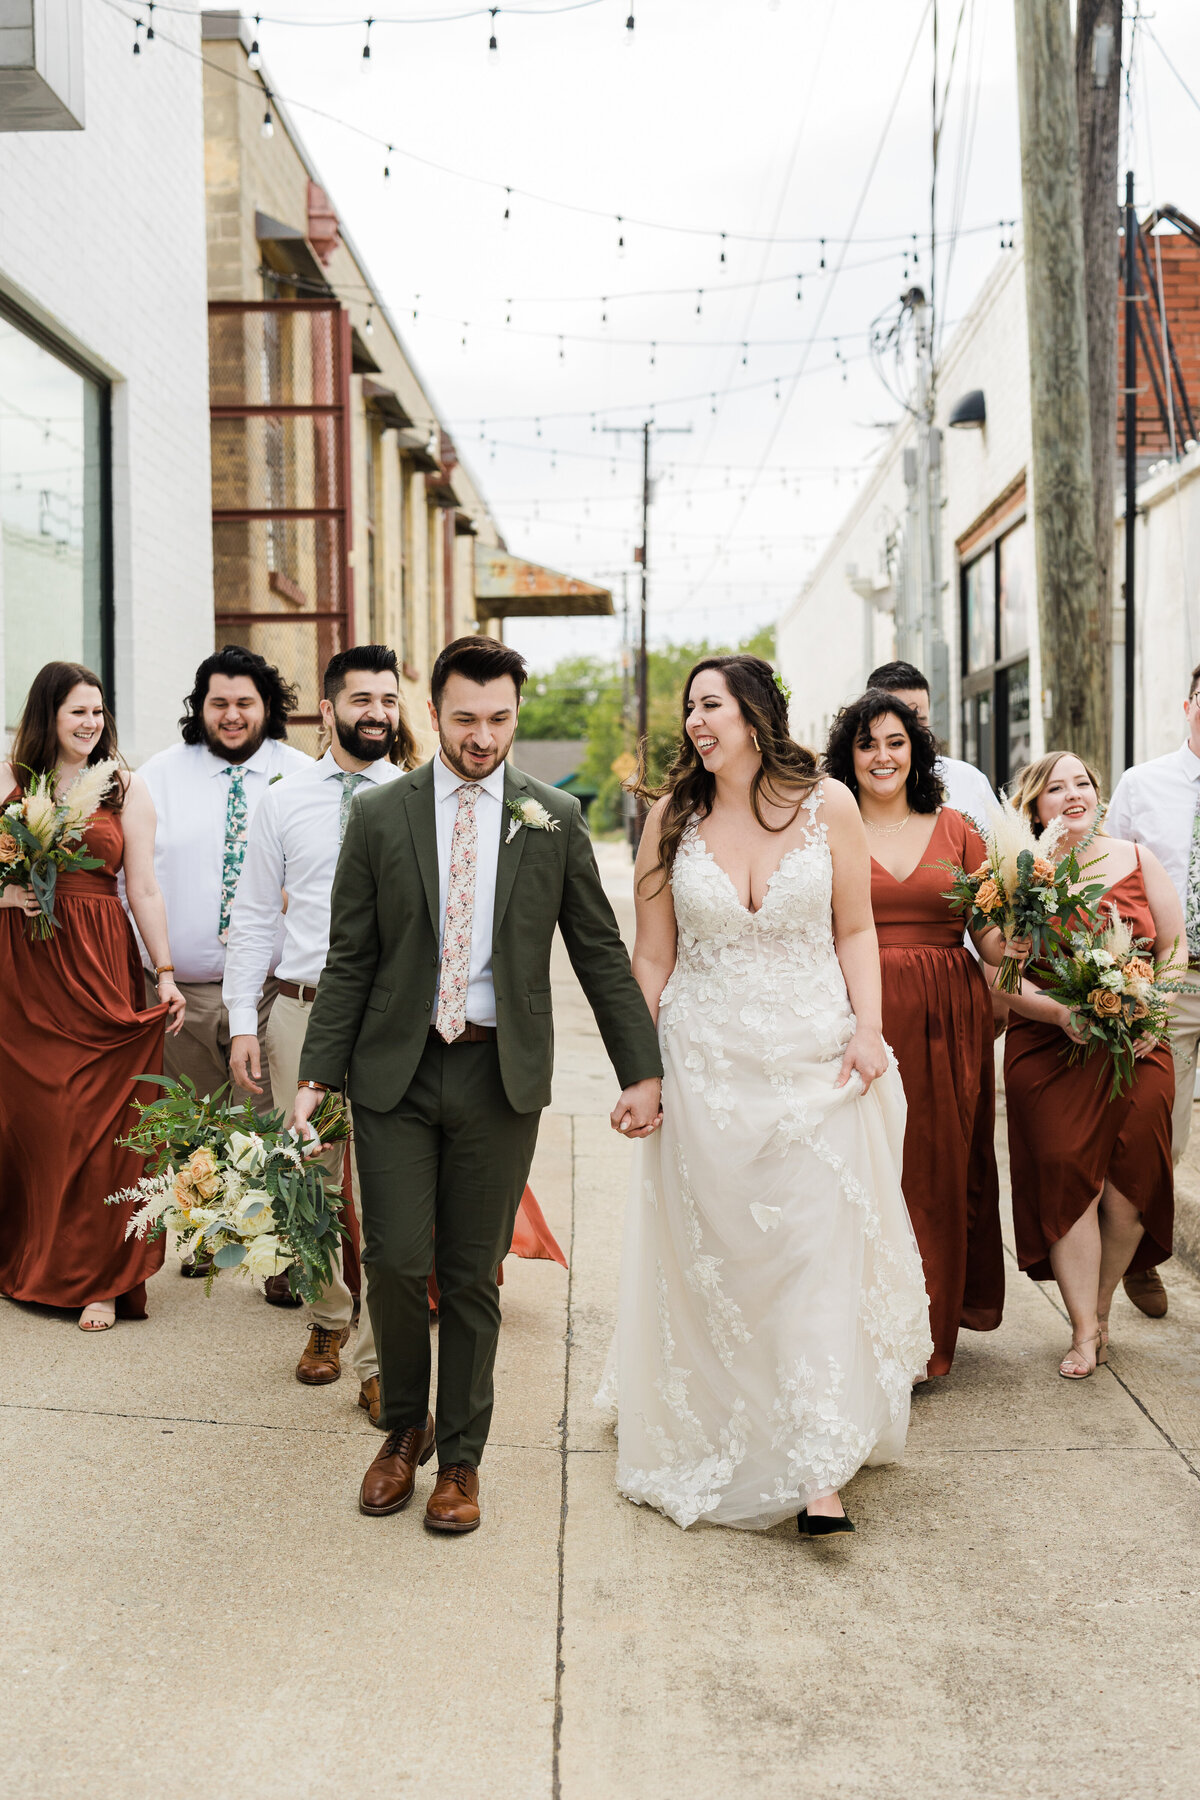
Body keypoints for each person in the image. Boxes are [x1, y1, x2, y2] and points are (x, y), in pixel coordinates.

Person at [289, 636, 662, 1535]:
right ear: (433, 711)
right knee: (394, 1260)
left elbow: (601, 955)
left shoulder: (554, 817)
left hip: (500, 1073)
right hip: (396, 1071)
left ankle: (461, 1459)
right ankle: (402, 1431)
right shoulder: (382, 816)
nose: (482, 736)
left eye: (499, 719)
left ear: (516, 716)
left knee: (469, 1275)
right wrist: (314, 1075)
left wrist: (641, 1069)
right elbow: (351, 958)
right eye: (464, 718)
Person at [600, 656, 932, 1535]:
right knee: (727, 1262)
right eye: (690, 709)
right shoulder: (670, 818)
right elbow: (653, 956)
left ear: (754, 713)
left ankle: (817, 1466)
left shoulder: (830, 805)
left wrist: (868, 1029)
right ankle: (730, 1419)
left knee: (814, 1256)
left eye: (711, 705)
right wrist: (642, 1068)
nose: (696, 722)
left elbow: (855, 928)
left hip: (817, 1066)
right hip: (707, 1071)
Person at [223, 645, 417, 1403]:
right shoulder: (283, 800)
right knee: (307, 1182)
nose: (377, 713)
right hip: (302, 1011)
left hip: (389, 1021)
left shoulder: (415, 798)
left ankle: (375, 1360)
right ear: (328, 710)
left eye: (389, 700)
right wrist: (245, 1020)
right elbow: (251, 918)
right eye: (362, 699)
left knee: (387, 1191)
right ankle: (327, 1314)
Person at [824, 690, 1009, 1379]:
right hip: (859, 1014)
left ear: (916, 750)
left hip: (947, 1016)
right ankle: (862, 1331)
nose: (881, 756)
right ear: (849, 755)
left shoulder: (959, 829)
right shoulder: (827, 827)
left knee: (936, 1169)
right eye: (867, 743)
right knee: (868, 1171)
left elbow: (990, 941)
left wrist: (1021, 936)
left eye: (895, 741)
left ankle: (925, 1343)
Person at [0, 663, 185, 1330]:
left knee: (104, 1122)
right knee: (33, 1119)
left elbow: (142, 889)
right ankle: (27, 1260)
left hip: (97, 964)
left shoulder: (126, 789)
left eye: (98, 712)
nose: (90, 724)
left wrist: (164, 972)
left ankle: (102, 1279)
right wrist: (6, 889)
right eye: (78, 711)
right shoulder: (10, 781)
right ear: (48, 713)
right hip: (22, 971)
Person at [1003, 752, 1181, 1378]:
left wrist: (1150, 1009)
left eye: (1083, 783)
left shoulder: (1137, 858)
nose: (1073, 794)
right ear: (1034, 806)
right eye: (1056, 787)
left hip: (1135, 1040)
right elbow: (999, 981)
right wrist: (1058, 1015)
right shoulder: (1020, 876)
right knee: (1070, 1179)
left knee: (1131, 1186)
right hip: (1049, 1044)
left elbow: (1173, 945)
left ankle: (1102, 1309)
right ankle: (1083, 1331)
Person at [138, 644, 309, 1295]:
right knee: (201, 1123)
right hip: (188, 987)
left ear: (268, 707)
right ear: (200, 708)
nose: (232, 715)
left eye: (245, 702)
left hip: (272, 987)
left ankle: (280, 1257)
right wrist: (157, 969)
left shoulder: (302, 775)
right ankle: (213, 1234)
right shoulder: (159, 774)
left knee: (269, 1122)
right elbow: (137, 881)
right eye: (220, 703)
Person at [1106, 661, 1200, 1320]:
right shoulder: (1144, 785)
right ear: (1189, 703)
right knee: (1160, 1134)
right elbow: (1109, 881)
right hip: (1175, 983)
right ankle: (1138, 1256)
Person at [867, 661, 998, 825]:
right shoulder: (847, 792)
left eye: (919, 722)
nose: (910, 732)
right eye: (898, 721)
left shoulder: (969, 781)